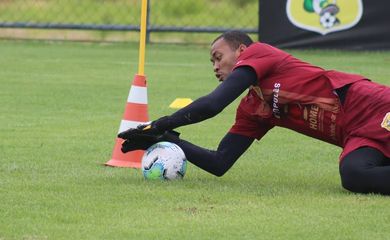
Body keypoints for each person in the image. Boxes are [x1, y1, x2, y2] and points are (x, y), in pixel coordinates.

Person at [118, 31, 390, 195]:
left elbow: (213, 105)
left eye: (218, 57)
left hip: (373, 105)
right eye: (211, 62)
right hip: (358, 136)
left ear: (242, 51)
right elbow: (219, 162)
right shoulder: (252, 108)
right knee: (353, 174)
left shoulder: (263, 53)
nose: (215, 66)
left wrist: (158, 123)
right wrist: (165, 140)